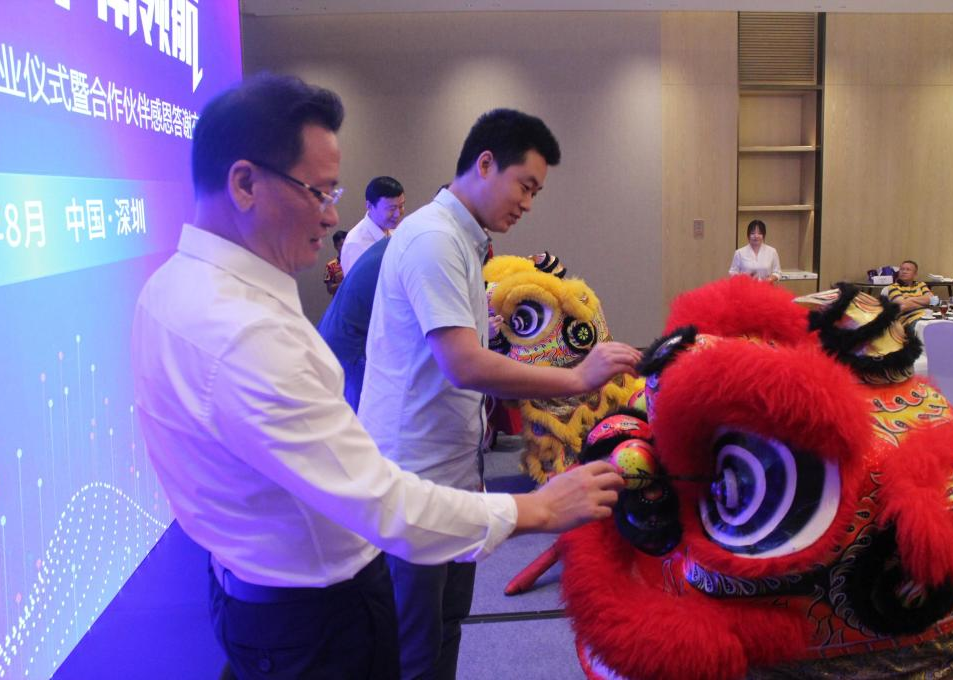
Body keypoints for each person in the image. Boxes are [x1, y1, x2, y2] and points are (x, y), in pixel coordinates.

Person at [130, 75, 626, 680]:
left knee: (438, 633)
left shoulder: (172, 286)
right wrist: (536, 508)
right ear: (244, 183)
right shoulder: (249, 332)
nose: (331, 214)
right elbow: (384, 497)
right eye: (317, 191)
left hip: (265, 587)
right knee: (419, 649)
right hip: (319, 605)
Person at [359, 108, 642, 680]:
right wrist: (577, 378)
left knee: (446, 627)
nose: (528, 203)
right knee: (416, 648)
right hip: (414, 475)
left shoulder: (463, 239)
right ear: (485, 164)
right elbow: (463, 364)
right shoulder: (434, 239)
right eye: (525, 186)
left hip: (451, 471)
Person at [318, 235, 388, 411]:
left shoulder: (390, 246)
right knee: (360, 410)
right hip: (348, 343)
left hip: (339, 334)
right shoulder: (394, 253)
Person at [340, 176, 405, 274]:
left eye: (401, 206)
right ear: (369, 206)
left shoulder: (396, 231)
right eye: (391, 208)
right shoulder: (355, 244)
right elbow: (360, 284)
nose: (398, 214)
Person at [883, 259, 933, 331]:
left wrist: (910, 299)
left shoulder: (921, 284)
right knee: (928, 330)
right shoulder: (893, 287)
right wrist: (924, 304)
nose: (904, 271)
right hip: (908, 321)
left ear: (915, 274)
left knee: (944, 327)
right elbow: (903, 305)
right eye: (902, 269)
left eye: (908, 269)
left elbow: (931, 299)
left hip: (928, 317)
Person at [323, 229, 347, 295]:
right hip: (340, 300)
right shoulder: (330, 266)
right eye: (341, 245)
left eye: (346, 244)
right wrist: (345, 283)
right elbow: (329, 289)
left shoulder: (355, 261)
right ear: (335, 247)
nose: (344, 247)